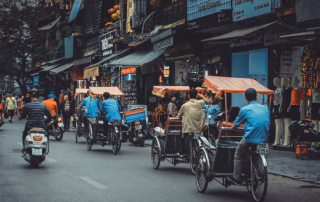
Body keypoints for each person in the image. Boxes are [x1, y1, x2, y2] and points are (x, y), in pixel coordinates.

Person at [227, 88, 270, 185]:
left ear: (246, 98)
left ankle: (237, 177)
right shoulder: (265, 108)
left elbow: (235, 125)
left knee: (238, 155)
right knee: (262, 154)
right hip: (264, 138)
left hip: (249, 138)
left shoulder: (244, 110)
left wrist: (234, 127)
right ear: (257, 96)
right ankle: (261, 171)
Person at [177, 89, 209, 157]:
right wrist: (200, 96)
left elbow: (179, 114)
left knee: (180, 136)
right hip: (199, 128)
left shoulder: (185, 106)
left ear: (188, 96)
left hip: (188, 129)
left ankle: (181, 152)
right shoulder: (200, 103)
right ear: (197, 96)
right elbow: (206, 100)